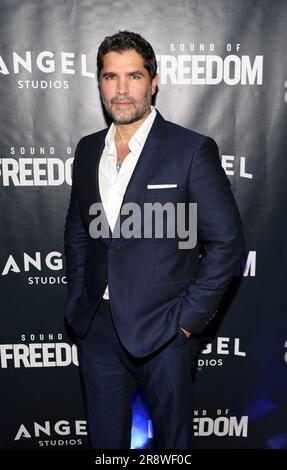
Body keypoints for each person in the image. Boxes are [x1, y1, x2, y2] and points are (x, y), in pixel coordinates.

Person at [64, 30, 245, 449]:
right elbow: (79, 230)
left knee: (171, 447)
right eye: (111, 77)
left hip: (165, 331)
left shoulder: (190, 149)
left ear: (154, 81)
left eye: (134, 77)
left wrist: (188, 321)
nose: (122, 90)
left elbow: (227, 242)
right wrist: (79, 297)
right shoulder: (89, 149)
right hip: (97, 330)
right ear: (99, 82)